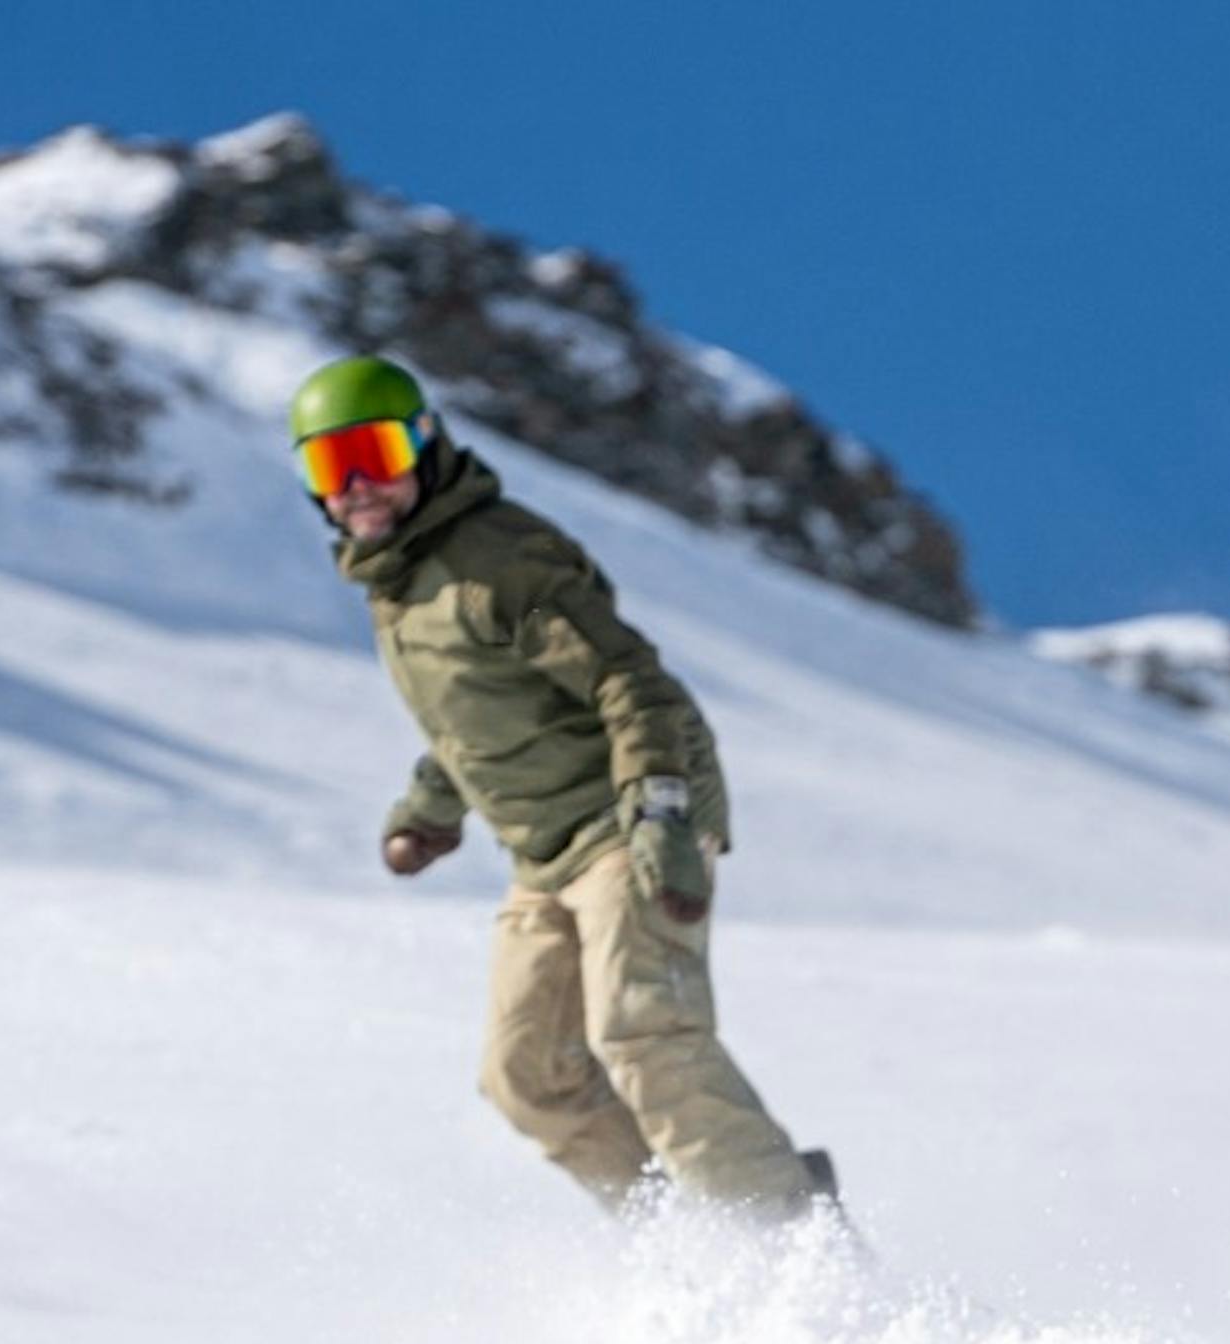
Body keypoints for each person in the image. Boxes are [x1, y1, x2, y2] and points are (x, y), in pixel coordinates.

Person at [290, 355, 828, 1214]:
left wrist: (660, 810)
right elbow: (477, 717)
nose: (356, 486)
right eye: (329, 466)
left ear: (424, 448)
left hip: (629, 811)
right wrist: (431, 811)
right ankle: (687, 1241)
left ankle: (793, 1240)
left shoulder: (499, 561)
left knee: (646, 1035)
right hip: (547, 853)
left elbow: (629, 682)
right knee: (526, 1076)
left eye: (375, 455)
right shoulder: (401, 585)